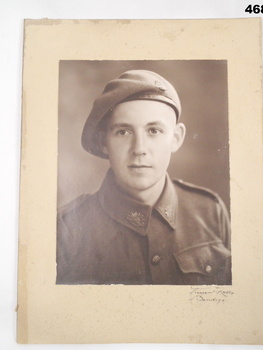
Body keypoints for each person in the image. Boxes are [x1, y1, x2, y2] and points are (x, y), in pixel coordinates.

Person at [56, 69, 231, 285]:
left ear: (176, 138)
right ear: (104, 141)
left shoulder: (210, 212)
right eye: (123, 132)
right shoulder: (67, 230)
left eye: (154, 131)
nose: (139, 149)